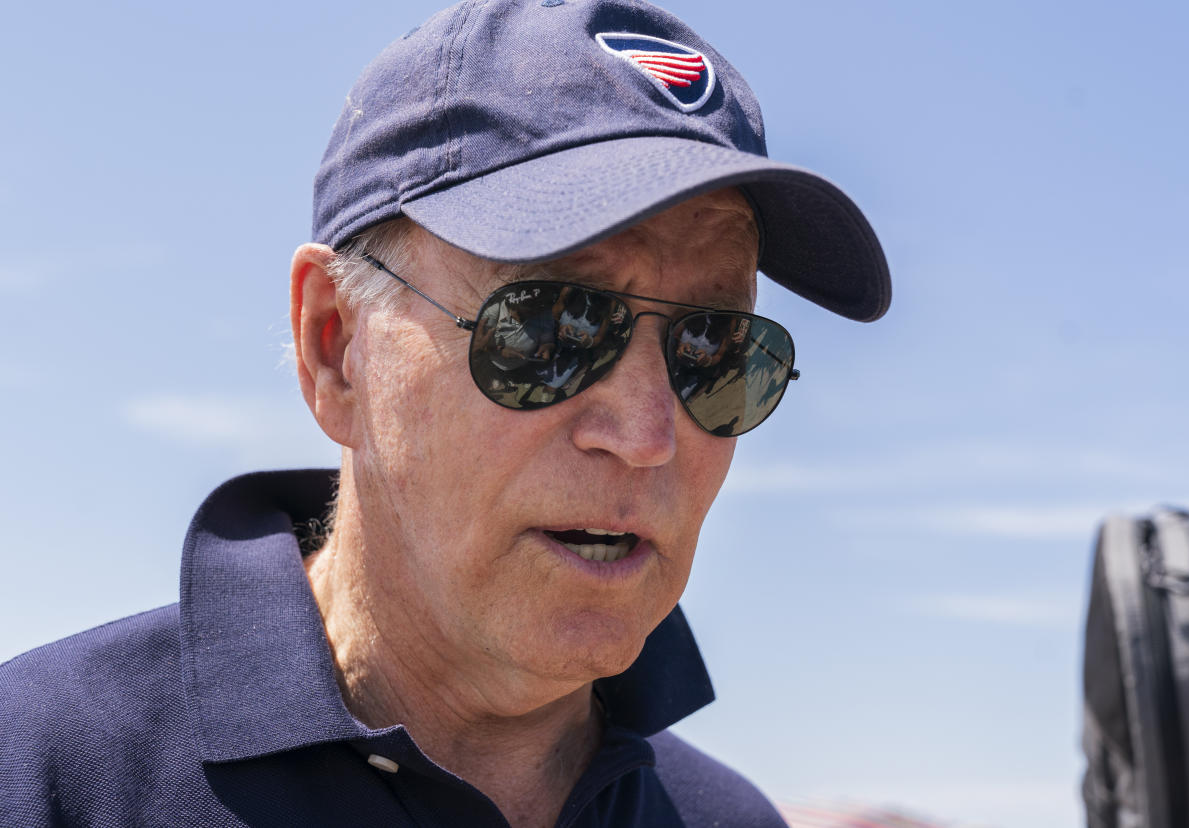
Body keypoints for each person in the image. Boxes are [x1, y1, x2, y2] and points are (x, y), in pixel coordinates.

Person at [0, 1, 890, 825]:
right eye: (550, 327)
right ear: (335, 346)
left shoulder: (724, 819)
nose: (647, 436)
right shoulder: (38, 777)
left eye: (715, 351)